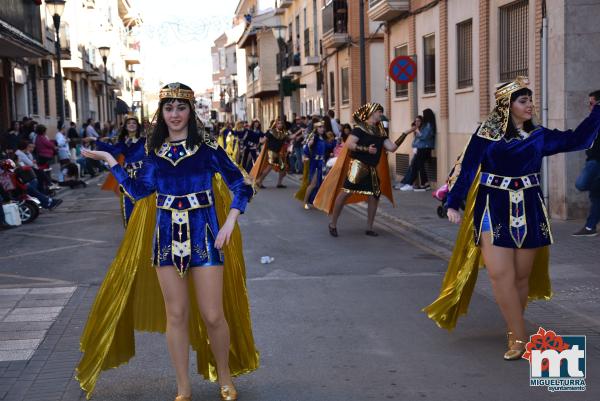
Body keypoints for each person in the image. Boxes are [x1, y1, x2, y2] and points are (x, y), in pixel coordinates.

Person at [77, 83, 258, 401]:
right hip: (165, 241)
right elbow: (138, 191)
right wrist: (111, 161)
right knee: (176, 315)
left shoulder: (206, 150)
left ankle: (225, 379)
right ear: (161, 113)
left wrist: (230, 220)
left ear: (190, 111)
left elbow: (240, 184)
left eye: (181, 107)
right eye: (169, 108)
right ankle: (183, 387)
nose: (175, 114)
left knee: (213, 314)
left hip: (205, 236)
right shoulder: (153, 154)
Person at [423, 77, 600, 360]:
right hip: (493, 206)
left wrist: (597, 111)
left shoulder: (539, 136)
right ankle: (519, 337)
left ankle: (512, 327)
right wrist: (453, 202)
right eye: (523, 100)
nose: (530, 105)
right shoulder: (487, 134)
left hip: (529, 207)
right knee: (499, 274)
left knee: (520, 278)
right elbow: (468, 168)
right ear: (507, 105)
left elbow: (578, 139)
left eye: (530, 100)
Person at [313, 103, 408, 236]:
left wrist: (406, 133)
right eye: (379, 112)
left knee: (374, 196)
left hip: (372, 168)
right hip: (357, 166)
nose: (381, 114)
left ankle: (369, 228)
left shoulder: (380, 131)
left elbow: (392, 148)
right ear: (371, 113)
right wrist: (366, 149)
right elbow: (349, 144)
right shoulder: (360, 129)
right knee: (345, 193)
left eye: (381, 112)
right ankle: (333, 224)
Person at [87, 116, 146, 225]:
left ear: (138, 126)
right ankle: (130, 234)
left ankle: (140, 235)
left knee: (142, 206)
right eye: (129, 123)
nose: (132, 124)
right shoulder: (123, 142)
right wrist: (96, 140)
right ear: (126, 127)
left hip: (141, 176)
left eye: (134, 123)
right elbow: (112, 150)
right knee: (127, 206)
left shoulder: (144, 141)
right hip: (126, 176)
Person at [573, 89, 600, 236]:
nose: (590, 107)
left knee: (581, 184)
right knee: (596, 196)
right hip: (592, 160)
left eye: (592, 104)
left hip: (596, 162)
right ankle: (590, 227)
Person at [398, 109, 436, 191]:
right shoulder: (426, 125)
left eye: (424, 115)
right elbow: (417, 140)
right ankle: (421, 183)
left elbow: (423, 136)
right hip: (421, 148)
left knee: (418, 165)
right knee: (418, 165)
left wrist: (417, 131)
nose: (423, 117)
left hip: (425, 148)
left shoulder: (429, 125)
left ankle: (420, 183)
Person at [295, 121, 327, 209]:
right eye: (320, 127)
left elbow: (325, 148)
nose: (322, 129)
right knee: (313, 184)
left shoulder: (322, 138)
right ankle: (305, 202)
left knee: (318, 184)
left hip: (321, 163)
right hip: (315, 163)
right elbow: (306, 147)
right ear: (316, 129)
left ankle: (313, 201)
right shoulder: (314, 137)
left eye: (323, 127)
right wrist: (306, 153)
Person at [250, 119, 289, 189]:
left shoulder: (284, 133)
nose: (280, 125)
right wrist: (259, 139)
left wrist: (300, 133)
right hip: (271, 152)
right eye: (278, 123)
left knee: (282, 168)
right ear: (276, 125)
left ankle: (279, 183)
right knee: (269, 167)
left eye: (281, 123)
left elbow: (291, 137)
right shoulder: (271, 132)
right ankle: (259, 181)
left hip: (277, 153)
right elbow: (263, 141)